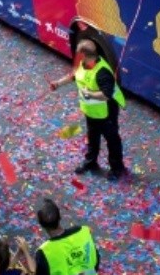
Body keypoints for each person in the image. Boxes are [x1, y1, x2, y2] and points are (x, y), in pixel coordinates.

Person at [48, 40, 126, 180]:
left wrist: (89, 94)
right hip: (91, 112)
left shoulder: (102, 72)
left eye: (79, 53)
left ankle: (117, 168)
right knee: (92, 137)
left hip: (106, 113)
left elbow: (106, 94)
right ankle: (91, 163)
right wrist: (58, 83)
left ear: (84, 54)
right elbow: (74, 76)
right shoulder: (83, 65)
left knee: (112, 140)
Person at [33, 198, 107, 275]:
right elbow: (95, 261)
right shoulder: (83, 232)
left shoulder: (44, 252)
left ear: (41, 224)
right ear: (60, 216)